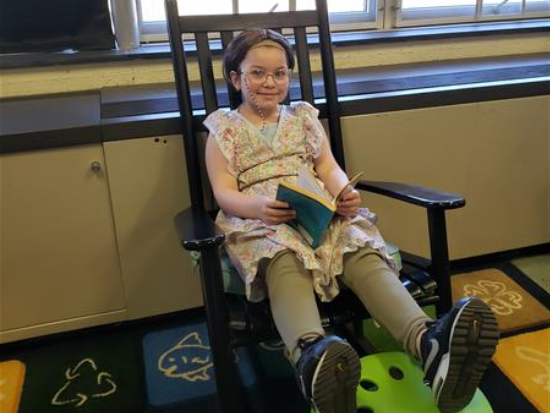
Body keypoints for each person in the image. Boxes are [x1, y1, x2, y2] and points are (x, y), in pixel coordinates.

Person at [204, 28, 499, 413]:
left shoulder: (304, 117)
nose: (269, 82)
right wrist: (256, 208)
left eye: (279, 73)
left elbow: (327, 166)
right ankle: (312, 357)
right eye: (257, 73)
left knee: (357, 246)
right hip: (261, 222)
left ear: (288, 77)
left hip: (316, 209)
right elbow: (222, 191)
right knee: (283, 257)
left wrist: (343, 192)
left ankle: (429, 343)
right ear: (235, 78)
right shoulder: (223, 129)